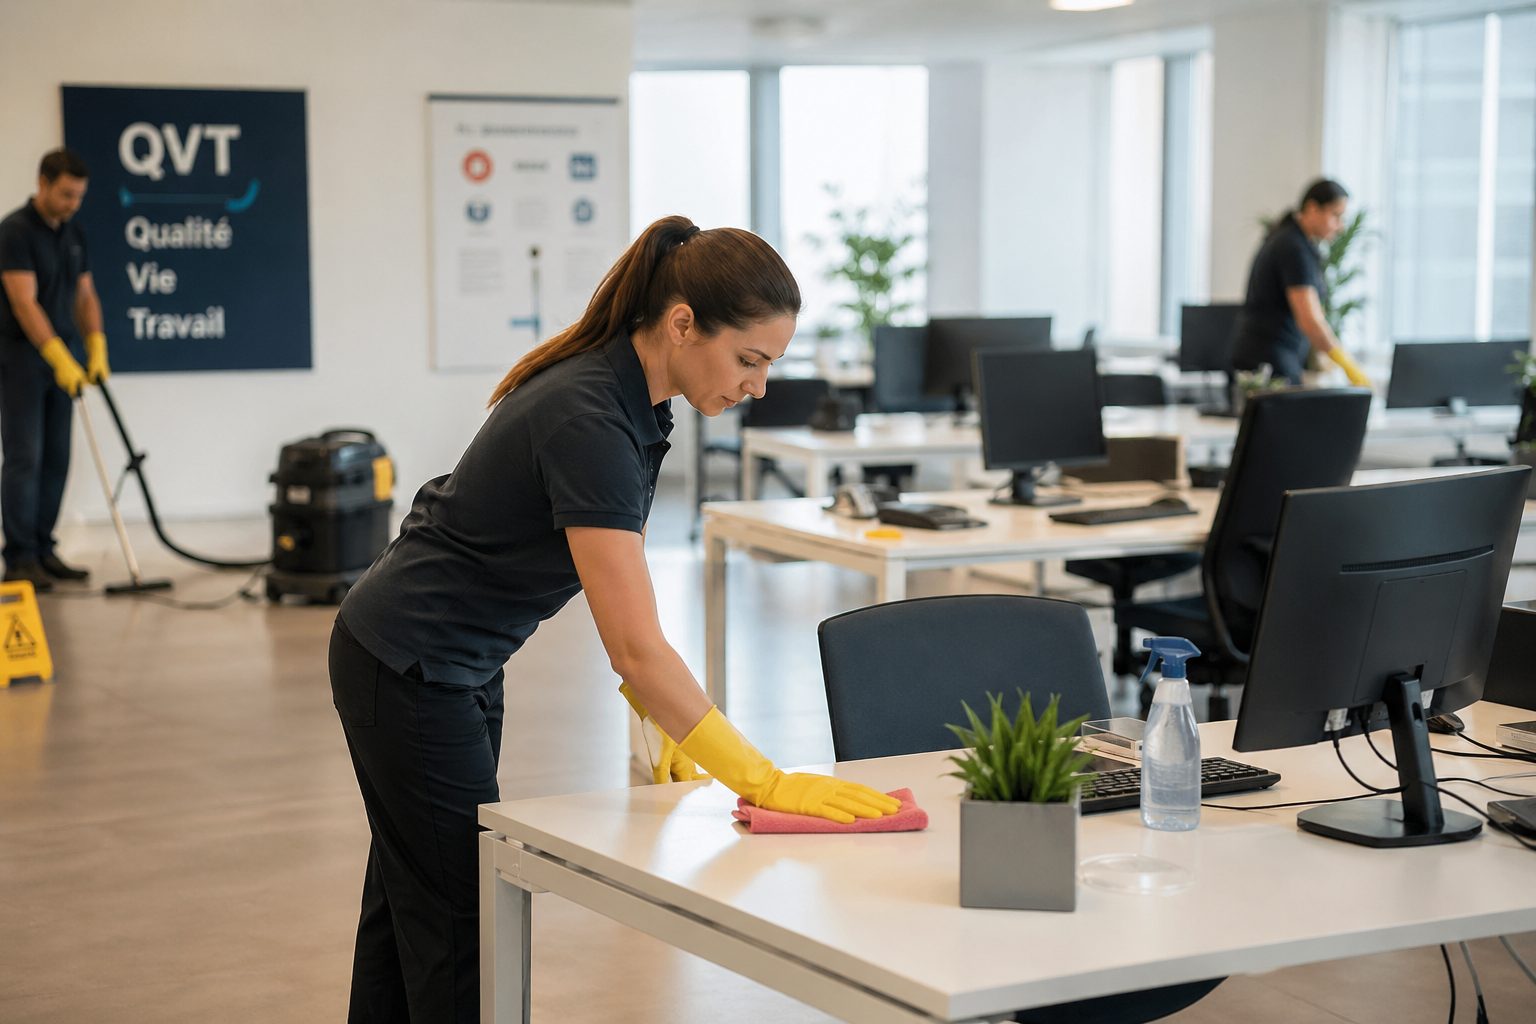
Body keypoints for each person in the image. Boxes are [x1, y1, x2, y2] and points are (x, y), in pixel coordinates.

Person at [329, 215, 900, 1023]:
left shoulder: (631, 400)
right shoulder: (589, 416)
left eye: (770, 365)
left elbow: (623, 594)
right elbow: (633, 647)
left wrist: (664, 711)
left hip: (449, 660)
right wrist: (762, 781)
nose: (758, 387)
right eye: (749, 359)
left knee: (411, 904)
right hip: (411, 664)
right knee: (463, 925)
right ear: (682, 324)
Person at [0, 147, 109, 592]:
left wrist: (95, 344)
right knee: (25, 457)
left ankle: (44, 549)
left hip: (62, 357)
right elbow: (23, 303)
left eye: (79, 196)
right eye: (66, 194)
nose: (72, 204)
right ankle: (20, 557)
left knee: (57, 458)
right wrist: (57, 355)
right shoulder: (14, 232)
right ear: (42, 183)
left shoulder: (72, 232)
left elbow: (85, 294)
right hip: (21, 360)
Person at [1230, 178, 1371, 388]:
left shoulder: (1295, 241)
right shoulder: (1293, 247)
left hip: (1271, 356)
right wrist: (1345, 363)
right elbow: (1309, 318)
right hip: (1267, 362)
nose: (1340, 227)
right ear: (1312, 208)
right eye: (1336, 216)